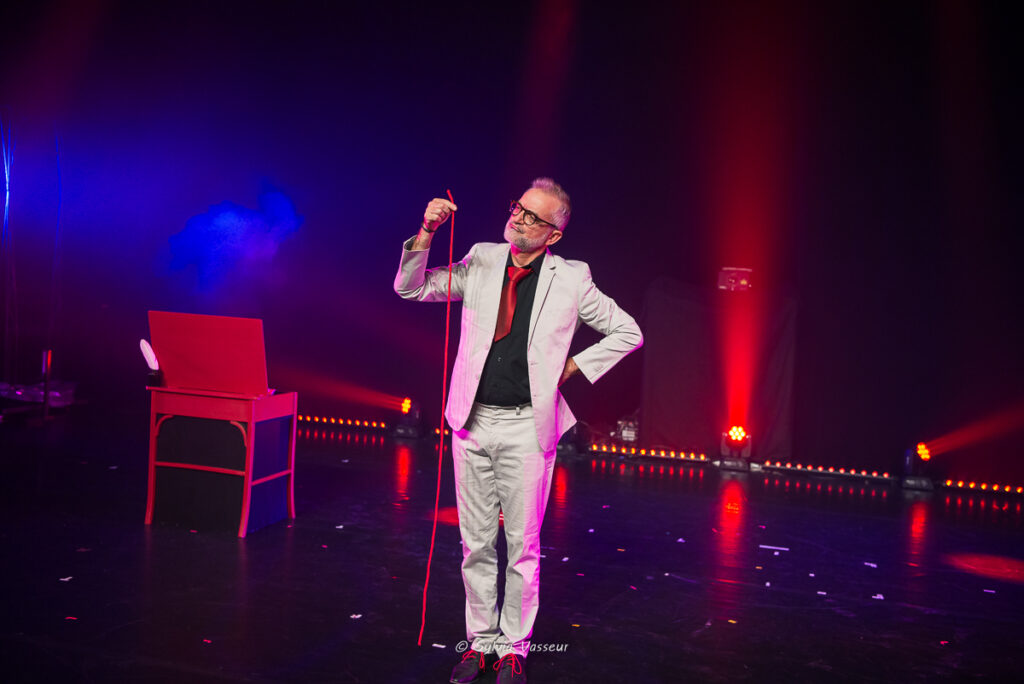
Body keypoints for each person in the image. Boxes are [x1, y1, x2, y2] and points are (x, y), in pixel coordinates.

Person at [394, 178, 642, 684]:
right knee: (476, 543)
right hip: (473, 422)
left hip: (528, 428)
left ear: (553, 235)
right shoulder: (482, 258)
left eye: (533, 217)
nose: (519, 220)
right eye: (518, 209)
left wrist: (573, 367)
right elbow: (411, 287)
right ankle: (480, 643)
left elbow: (629, 332)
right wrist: (426, 231)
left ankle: (515, 649)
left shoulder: (572, 279)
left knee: (522, 546)